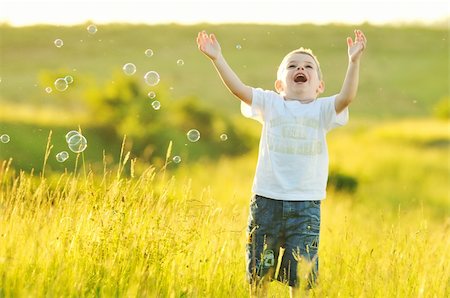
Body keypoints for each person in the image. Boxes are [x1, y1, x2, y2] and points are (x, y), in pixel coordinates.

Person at [196, 29, 367, 297]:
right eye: (293, 66)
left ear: (319, 86)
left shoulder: (322, 110)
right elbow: (239, 90)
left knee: (301, 277)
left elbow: (346, 97)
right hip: (267, 202)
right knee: (260, 272)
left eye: (308, 66)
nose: (301, 68)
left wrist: (354, 62)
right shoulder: (270, 103)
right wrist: (217, 59)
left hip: (306, 207)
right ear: (280, 84)